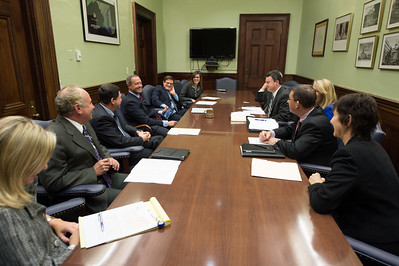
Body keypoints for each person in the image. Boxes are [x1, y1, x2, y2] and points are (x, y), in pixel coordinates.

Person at [308, 93, 399, 256]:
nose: (330, 121)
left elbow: (321, 202)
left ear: (348, 120)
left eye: (334, 116)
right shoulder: (373, 146)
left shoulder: (349, 154)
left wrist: (315, 185)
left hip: (376, 241)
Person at [0, 116, 79, 265]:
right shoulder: (5, 216)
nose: (44, 167)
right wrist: (74, 248)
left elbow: (29, 212)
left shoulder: (21, 181)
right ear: (16, 163)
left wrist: (52, 221)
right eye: (38, 161)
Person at [39, 86, 127, 213]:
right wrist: (93, 171)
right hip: (88, 192)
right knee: (131, 200)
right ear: (78, 108)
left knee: (139, 185)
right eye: (90, 103)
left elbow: (97, 146)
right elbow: (53, 182)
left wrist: (108, 157)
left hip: (107, 178)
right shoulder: (54, 136)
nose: (94, 107)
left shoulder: (84, 123)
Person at [259, 84, 337, 166]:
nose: (287, 101)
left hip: (310, 169)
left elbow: (295, 151)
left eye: (289, 99)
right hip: (301, 158)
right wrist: (271, 133)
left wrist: (276, 141)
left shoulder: (315, 124)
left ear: (297, 104)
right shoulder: (306, 113)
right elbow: (290, 129)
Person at [90, 83, 163, 166]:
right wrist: (141, 139)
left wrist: (138, 132)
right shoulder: (101, 118)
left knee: (159, 139)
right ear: (113, 101)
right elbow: (119, 141)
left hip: (127, 140)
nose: (121, 100)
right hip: (123, 151)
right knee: (154, 152)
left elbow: (123, 125)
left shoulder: (108, 108)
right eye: (120, 97)